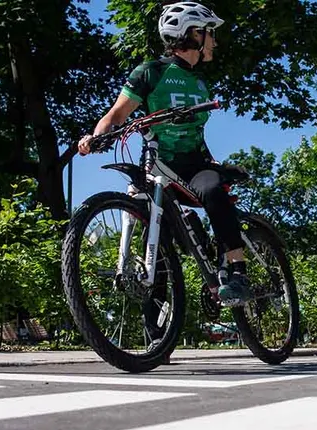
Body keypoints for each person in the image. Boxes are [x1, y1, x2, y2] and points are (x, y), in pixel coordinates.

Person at [77, 2, 252, 305]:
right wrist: (95, 137)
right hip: (160, 165)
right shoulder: (151, 72)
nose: (214, 41)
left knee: (212, 189)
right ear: (193, 34)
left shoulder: (199, 80)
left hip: (195, 165)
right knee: (156, 240)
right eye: (210, 33)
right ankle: (156, 336)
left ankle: (238, 272)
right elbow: (117, 114)